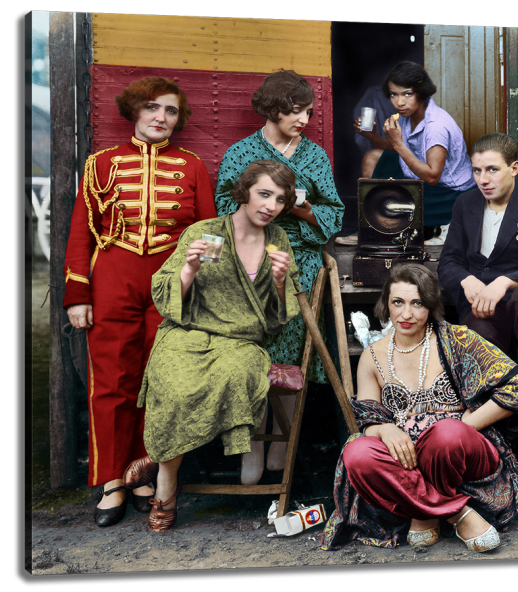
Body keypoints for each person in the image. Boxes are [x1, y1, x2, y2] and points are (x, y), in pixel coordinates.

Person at [63, 76, 217, 527]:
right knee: (112, 379)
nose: (160, 118)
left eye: (170, 111)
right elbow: (80, 233)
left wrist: (201, 293)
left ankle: (144, 472)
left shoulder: (192, 166)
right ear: (135, 112)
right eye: (152, 108)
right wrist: (78, 293)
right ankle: (113, 478)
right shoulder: (100, 164)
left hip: (171, 280)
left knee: (161, 378)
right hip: (113, 275)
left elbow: (207, 234)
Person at [123, 160, 301, 532]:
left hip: (240, 340)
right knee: (172, 381)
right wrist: (189, 270)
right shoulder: (205, 233)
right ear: (245, 191)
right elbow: (165, 292)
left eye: (280, 199)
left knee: (234, 374)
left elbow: (276, 318)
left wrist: (282, 281)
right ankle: (167, 484)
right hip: (189, 333)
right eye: (264, 194)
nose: (270, 206)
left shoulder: (278, 240)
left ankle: (159, 469)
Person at [320, 264, 518, 552]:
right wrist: (385, 429)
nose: (406, 314)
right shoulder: (371, 357)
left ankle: (425, 510)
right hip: (407, 459)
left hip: (460, 448)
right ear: (386, 303)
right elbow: (368, 419)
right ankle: (452, 513)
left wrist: (466, 425)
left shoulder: (459, 340)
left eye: (418, 303)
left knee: (445, 434)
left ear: (432, 305)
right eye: (398, 302)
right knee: (356, 453)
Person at [214, 70, 344, 476]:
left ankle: (280, 456)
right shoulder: (241, 153)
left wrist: (302, 211)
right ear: (272, 109)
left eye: (307, 111)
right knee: (253, 354)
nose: (303, 119)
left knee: (291, 357)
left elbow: (334, 212)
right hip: (250, 260)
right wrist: (258, 217)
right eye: (293, 111)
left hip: (300, 263)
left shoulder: (314, 156)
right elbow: (221, 204)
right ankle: (250, 454)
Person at [437, 132, 518, 462]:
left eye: (492, 170)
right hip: (484, 304)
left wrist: (507, 281)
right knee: (477, 334)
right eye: (476, 170)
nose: (483, 179)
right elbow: (449, 260)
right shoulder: (465, 204)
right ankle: (494, 427)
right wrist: (466, 280)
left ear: (514, 168)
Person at [337, 61, 475, 246]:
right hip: (422, 178)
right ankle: (372, 225)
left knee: (390, 176)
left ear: (422, 92)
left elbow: (433, 176)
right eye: (394, 94)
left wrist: (399, 143)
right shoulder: (406, 116)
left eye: (407, 94)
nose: (399, 102)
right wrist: (371, 136)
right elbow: (395, 148)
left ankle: (386, 226)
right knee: (373, 157)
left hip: (447, 194)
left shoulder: (436, 126)